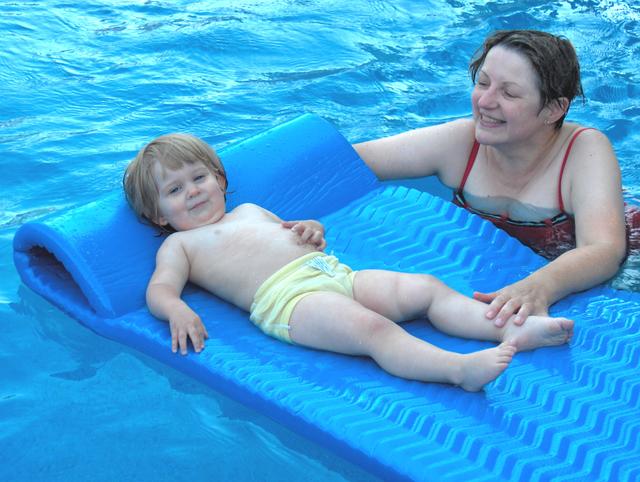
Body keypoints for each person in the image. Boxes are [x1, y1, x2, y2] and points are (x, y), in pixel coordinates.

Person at [122, 132, 574, 392]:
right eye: (176, 191)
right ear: (158, 214)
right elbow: (160, 289)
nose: (194, 191)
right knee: (373, 330)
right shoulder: (179, 246)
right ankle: (458, 370)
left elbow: (297, 230)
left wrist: (311, 229)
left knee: (424, 287)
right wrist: (176, 308)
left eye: (198, 178)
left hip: (335, 274)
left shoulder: (249, 211)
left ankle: (511, 328)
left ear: (220, 179)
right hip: (291, 303)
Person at [353, 29, 629, 328]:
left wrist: (540, 286)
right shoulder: (462, 143)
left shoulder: (584, 151)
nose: (484, 102)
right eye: (482, 83)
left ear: (553, 109)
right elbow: (344, 161)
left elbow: (604, 249)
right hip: (495, 261)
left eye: (508, 93)